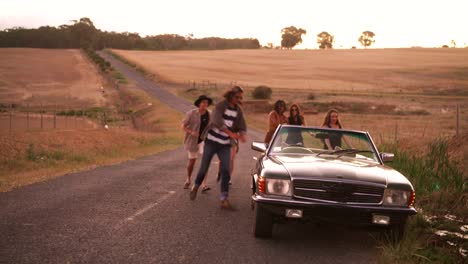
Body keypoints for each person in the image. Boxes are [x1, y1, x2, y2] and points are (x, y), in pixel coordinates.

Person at [190, 86, 247, 210]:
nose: (238, 99)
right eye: (237, 97)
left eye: (240, 97)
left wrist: (242, 134)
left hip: (224, 145)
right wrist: (231, 133)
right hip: (211, 141)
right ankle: (196, 185)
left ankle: (224, 199)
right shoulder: (221, 105)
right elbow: (216, 120)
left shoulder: (238, 110)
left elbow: (242, 125)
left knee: (226, 170)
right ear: (231, 95)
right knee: (204, 167)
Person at [182, 95, 213, 191]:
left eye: (207, 102)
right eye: (203, 102)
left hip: (204, 141)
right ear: (199, 103)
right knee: (192, 162)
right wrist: (191, 132)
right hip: (192, 141)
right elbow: (183, 126)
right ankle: (188, 179)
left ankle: (204, 184)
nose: (205, 104)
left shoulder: (210, 114)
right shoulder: (191, 113)